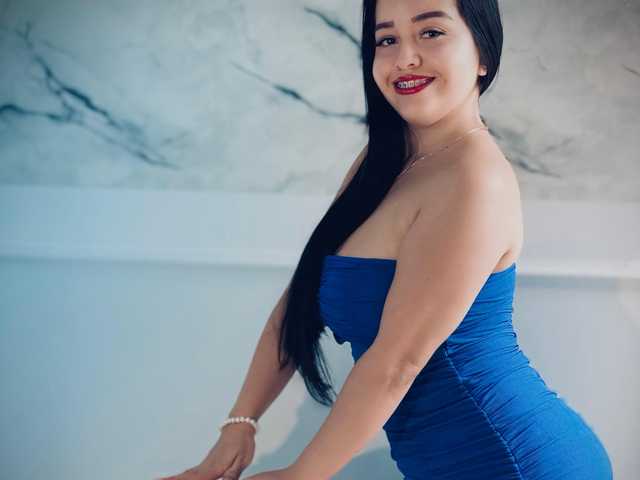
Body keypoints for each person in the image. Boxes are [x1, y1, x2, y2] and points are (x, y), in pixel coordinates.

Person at [158, 1, 614, 479]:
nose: (405, 58)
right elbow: (304, 295)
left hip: (515, 461)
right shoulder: (384, 160)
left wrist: (302, 474)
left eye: (431, 33)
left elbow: (397, 362)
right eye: (387, 39)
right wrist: (241, 424)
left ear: (483, 53)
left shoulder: (476, 179)